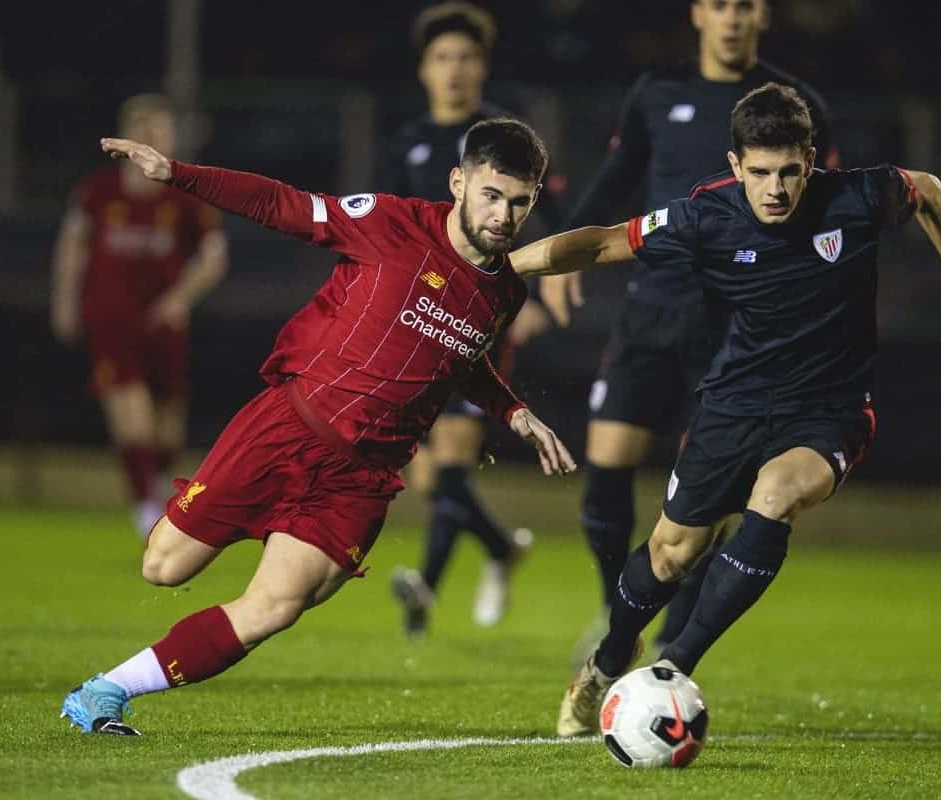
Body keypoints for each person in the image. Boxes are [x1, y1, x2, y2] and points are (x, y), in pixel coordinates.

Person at [60, 118, 575, 736]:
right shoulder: (389, 222)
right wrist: (177, 175)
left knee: (276, 606)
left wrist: (514, 411)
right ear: (459, 182)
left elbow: (458, 358)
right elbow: (282, 204)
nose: (503, 216)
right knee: (164, 567)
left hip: (359, 480)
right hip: (290, 428)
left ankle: (104, 693)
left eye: (519, 203)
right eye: (492, 195)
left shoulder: (503, 295)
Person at [510, 82, 941, 735]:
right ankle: (607, 661)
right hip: (734, 405)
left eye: (791, 171)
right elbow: (599, 244)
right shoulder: (707, 215)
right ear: (735, 166)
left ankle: (674, 667)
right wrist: (502, 267)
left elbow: (929, 190)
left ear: (811, 159)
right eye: (760, 172)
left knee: (776, 493)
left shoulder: (854, 197)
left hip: (830, 410)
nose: (776, 188)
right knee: (671, 553)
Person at [539, 0, 837, 658]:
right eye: (719, 4)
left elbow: (827, 213)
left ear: (763, 14)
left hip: (738, 322)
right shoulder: (658, 92)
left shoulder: (793, 106)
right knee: (606, 466)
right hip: (652, 305)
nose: (732, 18)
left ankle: (674, 632)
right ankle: (617, 610)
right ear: (698, 13)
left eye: (745, 5)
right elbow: (620, 176)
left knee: (713, 493)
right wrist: (562, 255)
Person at [384, 2, 554, 636]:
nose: (454, 70)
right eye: (442, 58)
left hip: (476, 314)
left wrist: (535, 297)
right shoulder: (407, 144)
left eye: (466, 58)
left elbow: (547, 220)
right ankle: (501, 549)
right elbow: (385, 231)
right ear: (425, 70)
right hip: (411, 318)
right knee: (429, 477)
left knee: (451, 459)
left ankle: (425, 591)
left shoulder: (505, 142)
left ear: (482, 68)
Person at [50, 94, 228, 539]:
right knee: (133, 421)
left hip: (164, 325)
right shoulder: (97, 192)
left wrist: (180, 298)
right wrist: (66, 300)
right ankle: (146, 510)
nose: (149, 139)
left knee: (167, 432)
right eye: (140, 130)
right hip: (111, 320)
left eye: (157, 131)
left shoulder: (186, 197)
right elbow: (72, 245)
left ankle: (161, 500)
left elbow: (213, 257)